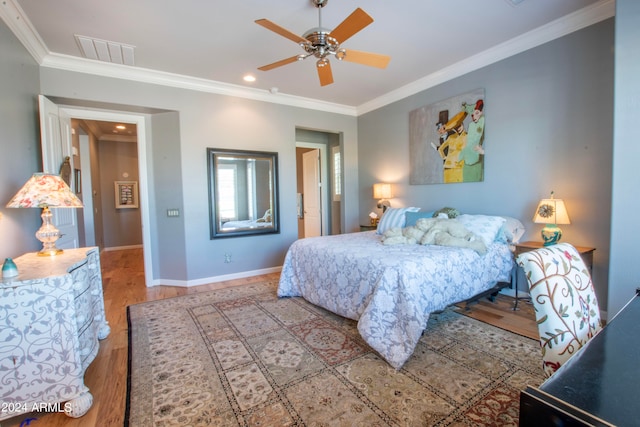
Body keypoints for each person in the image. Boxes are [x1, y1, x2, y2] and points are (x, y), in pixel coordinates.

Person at [438, 111, 467, 183]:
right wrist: (445, 157)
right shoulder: (451, 137)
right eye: (456, 127)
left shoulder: (467, 136)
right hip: (448, 167)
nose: (458, 128)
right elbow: (440, 149)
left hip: (459, 168)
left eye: (459, 125)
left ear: (462, 124)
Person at [460, 99, 485, 182]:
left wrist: (483, 151)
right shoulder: (471, 126)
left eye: (477, 113)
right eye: (472, 115)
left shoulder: (484, 122)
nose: (474, 116)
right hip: (468, 160)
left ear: (481, 112)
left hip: (477, 160)